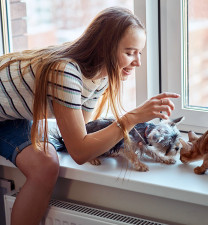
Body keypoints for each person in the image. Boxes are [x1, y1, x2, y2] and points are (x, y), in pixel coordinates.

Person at [0, 6, 179, 225]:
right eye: (130, 52)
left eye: (139, 52)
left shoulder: (100, 77)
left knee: (45, 162)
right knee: (45, 167)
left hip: (11, 117)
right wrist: (132, 118)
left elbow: (81, 134)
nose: (138, 62)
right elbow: (79, 151)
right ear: (105, 49)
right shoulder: (66, 72)